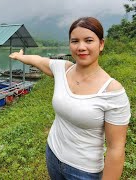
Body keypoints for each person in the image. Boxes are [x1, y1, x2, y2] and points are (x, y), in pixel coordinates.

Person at [9, 17, 130, 180]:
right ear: (70, 44)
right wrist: (20, 56)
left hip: (84, 171)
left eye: (88, 40)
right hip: (53, 153)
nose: (81, 47)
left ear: (101, 44)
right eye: (75, 41)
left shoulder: (112, 92)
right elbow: (38, 60)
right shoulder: (62, 69)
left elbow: (116, 149)